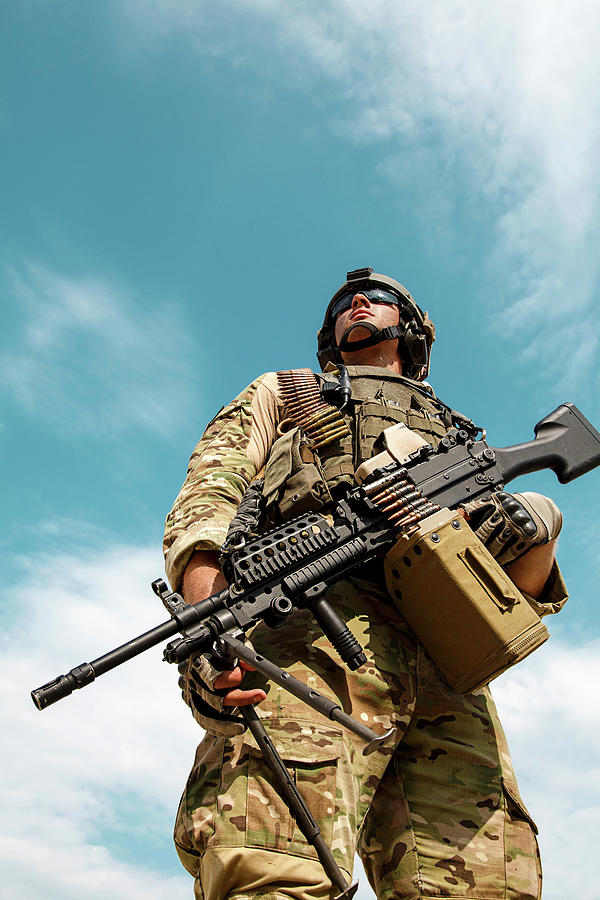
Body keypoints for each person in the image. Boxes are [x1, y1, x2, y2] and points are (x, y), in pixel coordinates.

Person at [162, 268, 567, 900]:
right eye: (343, 304)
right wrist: (209, 617)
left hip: (444, 664)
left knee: (486, 887)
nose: (356, 303)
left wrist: (538, 528)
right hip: (312, 635)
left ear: (412, 331)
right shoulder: (288, 392)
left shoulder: (455, 431)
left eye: (377, 300)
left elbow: (519, 593)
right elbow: (208, 498)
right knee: (274, 870)